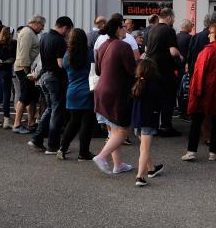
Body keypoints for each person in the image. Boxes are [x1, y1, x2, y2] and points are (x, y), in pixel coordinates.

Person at [181, 23, 216, 162]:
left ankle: (191, 151)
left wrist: (195, 91)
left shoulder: (208, 50)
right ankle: (213, 152)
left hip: (204, 89)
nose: (209, 35)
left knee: (197, 120)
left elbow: (199, 72)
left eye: (211, 32)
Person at [93, 17, 137, 175]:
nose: (126, 30)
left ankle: (118, 165)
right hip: (116, 93)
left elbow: (98, 70)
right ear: (118, 29)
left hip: (101, 91)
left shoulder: (103, 44)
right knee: (122, 132)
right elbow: (133, 71)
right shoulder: (123, 46)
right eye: (124, 27)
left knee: (113, 131)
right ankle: (102, 156)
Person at [28, 16, 73, 155]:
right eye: (68, 30)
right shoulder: (59, 40)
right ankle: (53, 145)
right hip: (55, 78)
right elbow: (61, 63)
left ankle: (37, 138)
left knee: (50, 108)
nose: (68, 33)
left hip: (44, 77)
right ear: (65, 27)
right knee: (57, 111)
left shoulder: (45, 37)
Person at [58, 28, 97, 161]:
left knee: (73, 122)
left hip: (72, 91)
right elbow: (95, 70)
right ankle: (83, 153)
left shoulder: (67, 55)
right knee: (87, 123)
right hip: (87, 91)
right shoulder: (89, 53)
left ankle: (63, 148)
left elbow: (63, 67)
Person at [145, 8, 182, 136]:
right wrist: (180, 56)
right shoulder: (169, 30)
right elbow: (173, 51)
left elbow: (146, 49)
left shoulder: (151, 30)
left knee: (155, 99)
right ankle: (166, 127)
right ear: (169, 17)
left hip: (152, 70)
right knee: (168, 99)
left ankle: (154, 126)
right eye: (174, 18)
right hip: (165, 70)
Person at [131, 59, 166, 186]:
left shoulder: (137, 85)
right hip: (148, 120)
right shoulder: (154, 86)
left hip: (136, 120)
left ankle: (151, 169)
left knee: (143, 147)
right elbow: (160, 102)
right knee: (144, 149)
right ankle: (139, 177)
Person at [13, 15, 45, 134]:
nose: (42, 29)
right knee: (25, 96)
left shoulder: (31, 33)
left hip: (29, 69)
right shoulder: (27, 33)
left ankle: (31, 122)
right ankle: (17, 124)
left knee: (32, 96)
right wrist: (28, 73)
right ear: (36, 23)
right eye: (42, 26)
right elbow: (24, 54)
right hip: (24, 69)